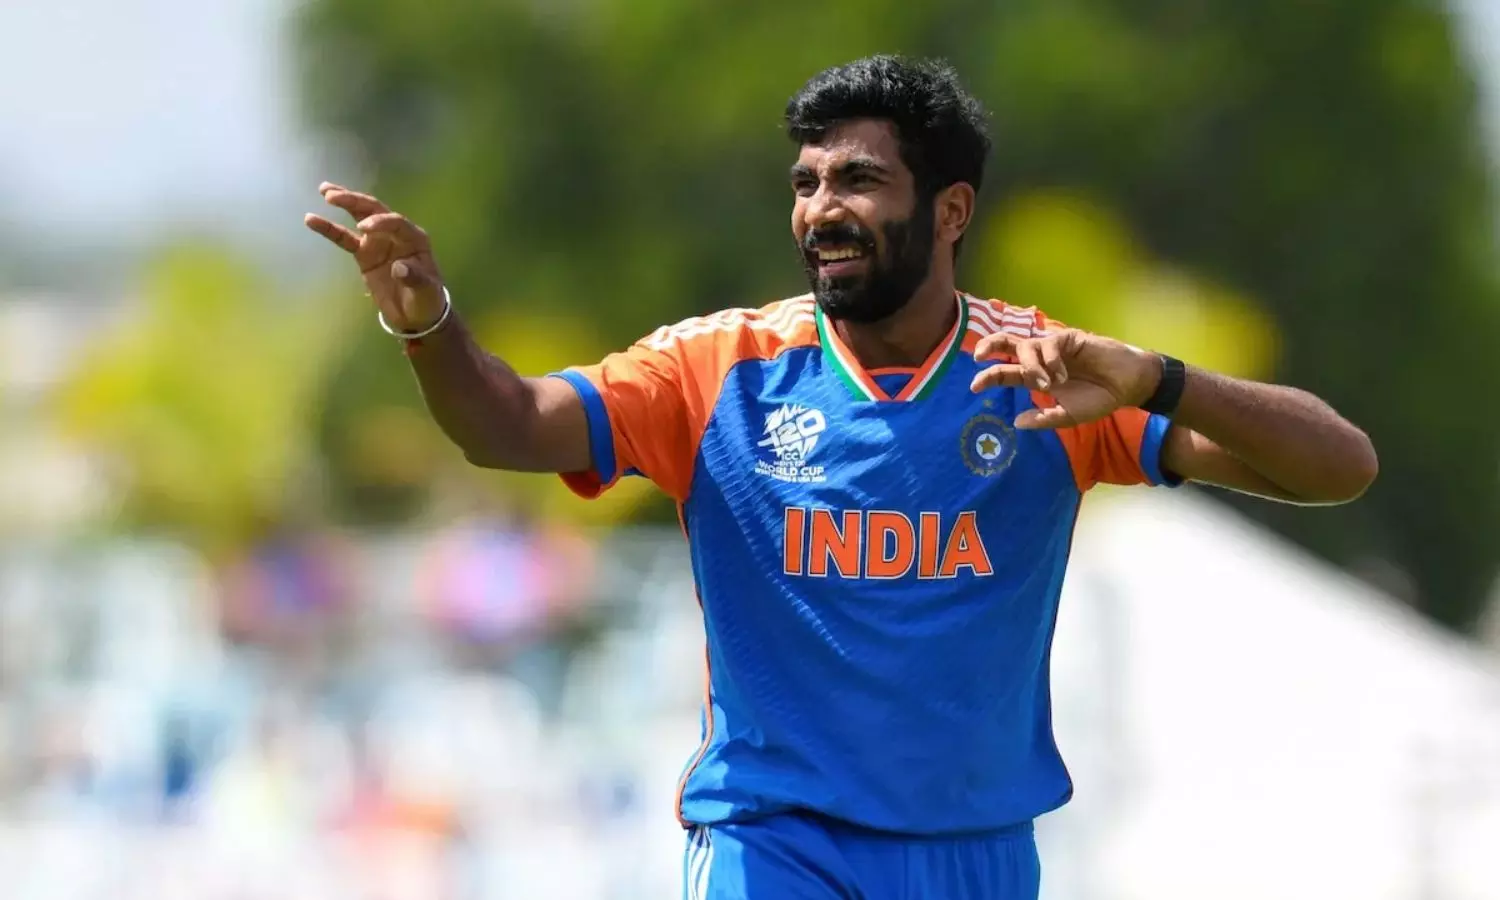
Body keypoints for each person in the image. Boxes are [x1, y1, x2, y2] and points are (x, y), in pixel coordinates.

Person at [306, 55, 1377, 900]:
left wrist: (1157, 379)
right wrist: (430, 327)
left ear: (950, 210)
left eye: (859, 180)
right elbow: (506, 425)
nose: (822, 207)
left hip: (976, 851)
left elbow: (1338, 467)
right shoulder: (716, 369)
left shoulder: (1045, 376)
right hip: (775, 840)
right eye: (807, 183)